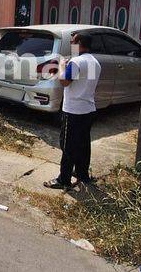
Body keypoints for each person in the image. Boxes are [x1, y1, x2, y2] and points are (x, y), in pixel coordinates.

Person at [44, 32, 101, 190]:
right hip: (88, 109)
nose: (71, 44)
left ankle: (63, 179)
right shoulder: (94, 62)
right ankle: (83, 175)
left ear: (80, 43)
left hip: (73, 110)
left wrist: (62, 65)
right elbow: (82, 80)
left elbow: (64, 81)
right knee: (83, 143)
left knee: (67, 145)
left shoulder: (76, 62)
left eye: (73, 42)